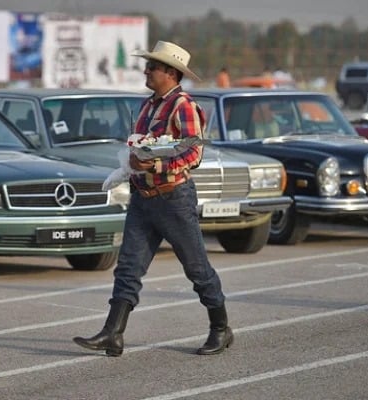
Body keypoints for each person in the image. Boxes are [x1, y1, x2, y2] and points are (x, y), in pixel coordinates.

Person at [73, 40, 233, 357]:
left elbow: (194, 153)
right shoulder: (148, 105)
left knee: (197, 268)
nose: (147, 70)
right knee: (128, 268)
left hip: (174, 199)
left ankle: (220, 328)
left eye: (153, 67)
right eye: (148, 65)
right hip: (143, 196)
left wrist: (159, 164)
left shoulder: (183, 105)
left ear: (171, 73)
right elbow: (141, 145)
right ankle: (113, 333)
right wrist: (132, 161)